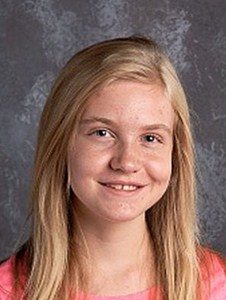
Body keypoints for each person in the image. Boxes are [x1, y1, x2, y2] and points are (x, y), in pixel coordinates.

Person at [0, 36, 225, 300]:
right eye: (102, 133)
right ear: (59, 143)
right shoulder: (9, 290)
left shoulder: (214, 286)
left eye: (150, 138)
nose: (127, 162)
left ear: (176, 153)